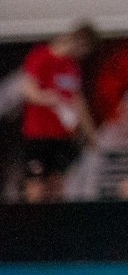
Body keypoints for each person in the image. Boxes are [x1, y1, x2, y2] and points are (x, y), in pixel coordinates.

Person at [17, 22, 98, 203]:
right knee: (36, 185)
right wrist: (48, 98)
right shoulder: (41, 56)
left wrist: (90, 133)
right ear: (79, 42)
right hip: (38, 135)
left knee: (57, 184)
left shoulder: (72, 67)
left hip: (62, 136)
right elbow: (27, 89)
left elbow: (78, 101)